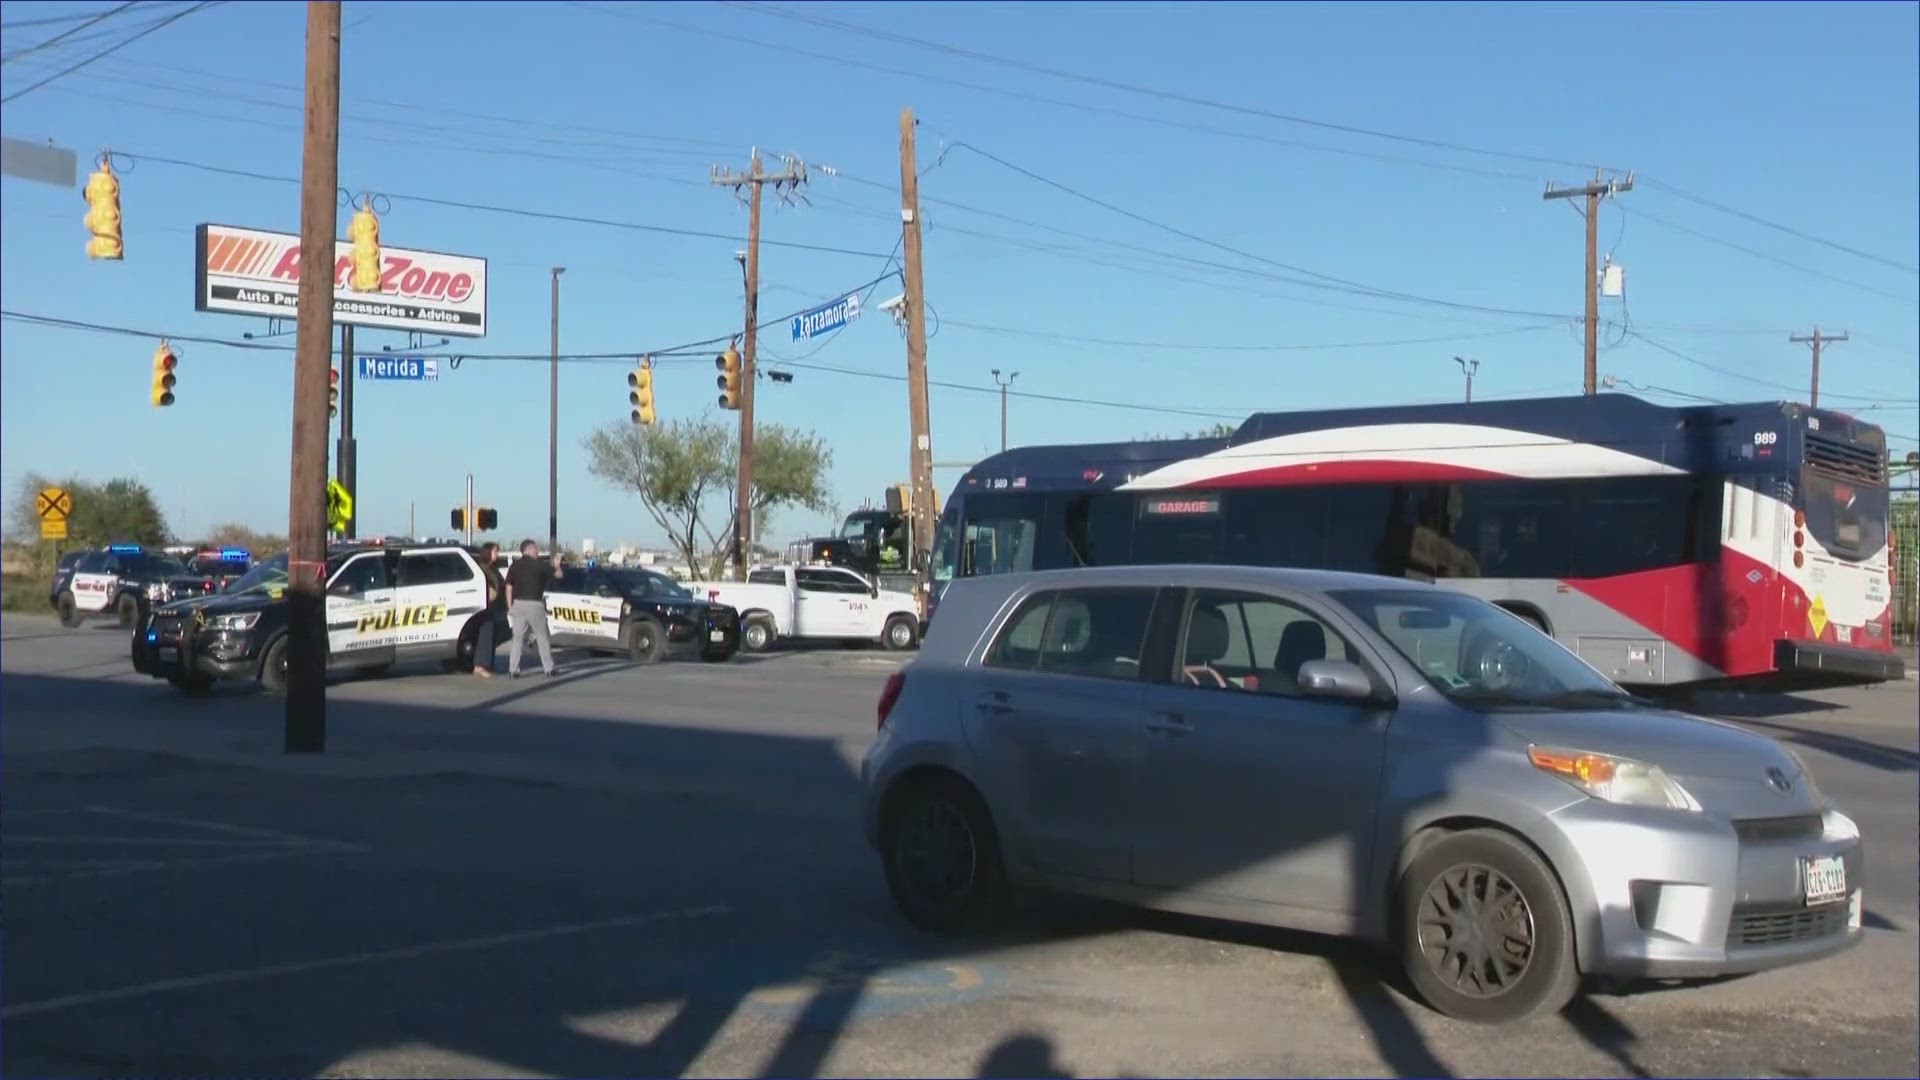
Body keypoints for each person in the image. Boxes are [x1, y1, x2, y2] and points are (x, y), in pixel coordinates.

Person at [504, 539, 564, 678]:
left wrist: (510, 606)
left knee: (517, 638)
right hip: (535, 604)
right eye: (535, 549)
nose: (537, 551)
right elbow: (559, 576)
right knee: (542, 636)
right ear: (529, 549)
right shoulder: (539, 566)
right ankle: (548, 668)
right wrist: (557, 565)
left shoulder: (515, 566)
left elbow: (508, 586)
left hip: (518, 604)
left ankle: (513, 669)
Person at [471, 542, 505, 679]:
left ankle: (486, 664)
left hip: (495, 607)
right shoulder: (482, 569)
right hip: (485, 608)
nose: (497, 554)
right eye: (495, 551)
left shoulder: (493, 569)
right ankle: (480, 665)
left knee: (491, 636)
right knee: (485, 634)